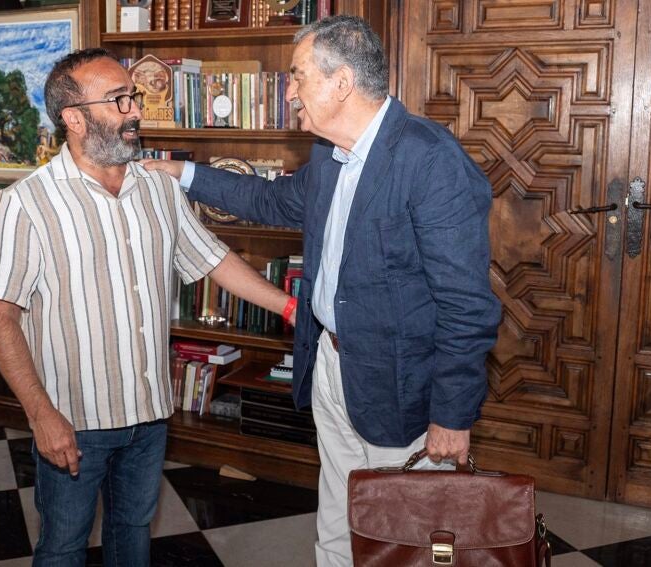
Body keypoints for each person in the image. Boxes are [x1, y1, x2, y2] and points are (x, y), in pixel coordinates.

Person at [143, 15, 501, 566]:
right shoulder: (331, 156)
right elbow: (270, 201)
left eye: (297, 76)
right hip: (332, 364)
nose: (289, 92)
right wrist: (182, 174)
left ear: (342, 83)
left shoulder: (429, 159)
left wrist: (452, 414)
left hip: (401, 382)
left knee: (404, 539)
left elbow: (467, 307)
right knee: (339, 517)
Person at [0, 47, 296, 567]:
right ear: (74, 118)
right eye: (118, 100)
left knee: (132, 533)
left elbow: (214, 259)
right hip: (74, 418)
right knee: (63, 547)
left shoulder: (157, 187)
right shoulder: (26, 203)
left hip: (149, 413)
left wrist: (290, 307)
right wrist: (40, 414)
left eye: (134, 97)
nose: (135, 111)